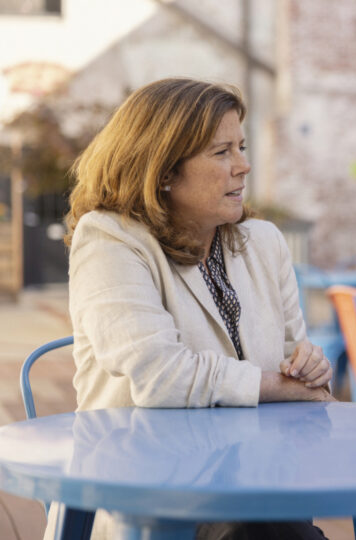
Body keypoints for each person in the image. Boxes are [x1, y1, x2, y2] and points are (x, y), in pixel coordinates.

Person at [56, 78, 333, 540]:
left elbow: (298, 370)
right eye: (221, 152)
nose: (244, 166)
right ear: (163, 170)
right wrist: (278, 387)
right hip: (149, 500)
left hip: (257, 486)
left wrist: (312, 368)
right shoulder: (110, 239)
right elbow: (160, 376)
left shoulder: (264, 243)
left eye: (241, 148)